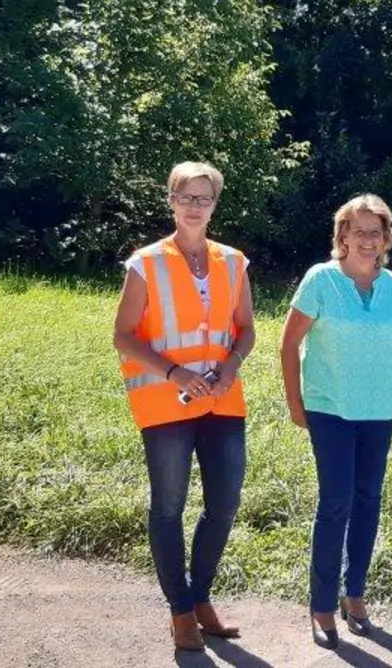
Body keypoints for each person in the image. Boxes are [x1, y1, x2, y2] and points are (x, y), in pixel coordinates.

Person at [111, 161, 255, 652]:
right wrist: (174, 372)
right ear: (171, 200)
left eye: (204, 198)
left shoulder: (233, 261)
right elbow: (123, 336)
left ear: (215, 204)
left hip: (221, 399)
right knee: (169, 506)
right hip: (166, 402)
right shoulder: (146, 263)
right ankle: (180, 610)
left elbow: (246, 329)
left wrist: (231, 365)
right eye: (186, 197)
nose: (195, 206)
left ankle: (200, 597)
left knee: (225, 502)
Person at [279, 194, 392, 650]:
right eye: (358, 231)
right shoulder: (321, 280)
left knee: (368, 500)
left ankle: (355, 594)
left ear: (386, 239)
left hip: (378, 410)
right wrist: (295, 403)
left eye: (376, 232)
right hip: (329, 408)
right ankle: (321, 605)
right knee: (336, 502)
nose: (367, 240)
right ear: (342, 235)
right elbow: (289, 345)